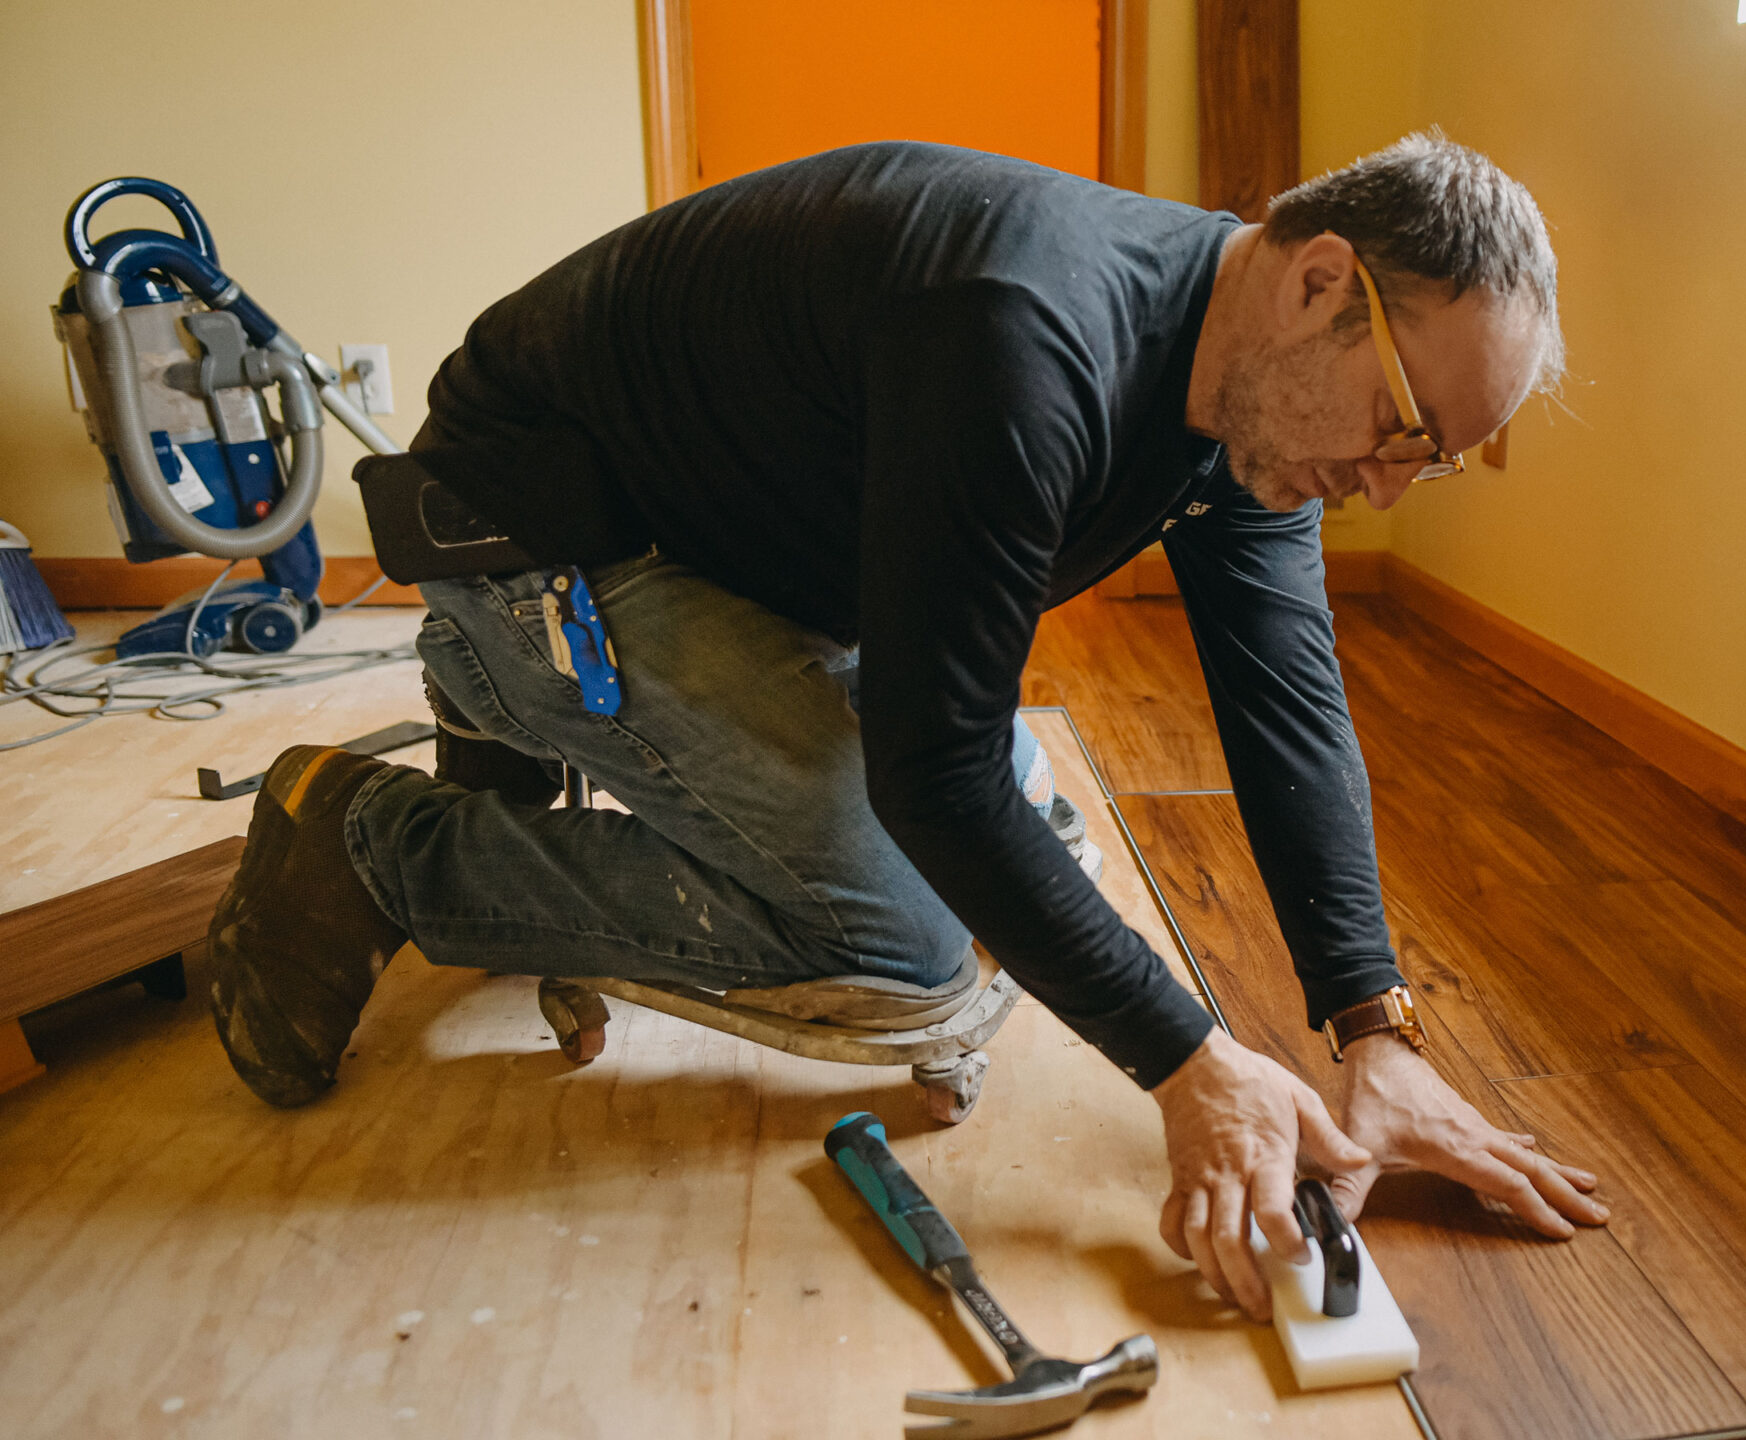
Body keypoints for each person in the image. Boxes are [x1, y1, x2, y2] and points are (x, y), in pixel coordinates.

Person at [204, 132, 1608, 1321]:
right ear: (1319, 283)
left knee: (1039, 861)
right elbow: (934, 773)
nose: (1388, 487)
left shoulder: (1246, 385)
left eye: (1436, 459)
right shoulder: (1025, 330)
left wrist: (1378, 1030)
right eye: (1407, 428)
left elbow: (1286, 700)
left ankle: (535, 737)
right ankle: (375, 836)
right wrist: (1192, 1065)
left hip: (736, 546)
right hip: (534, 535)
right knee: (901, 952)